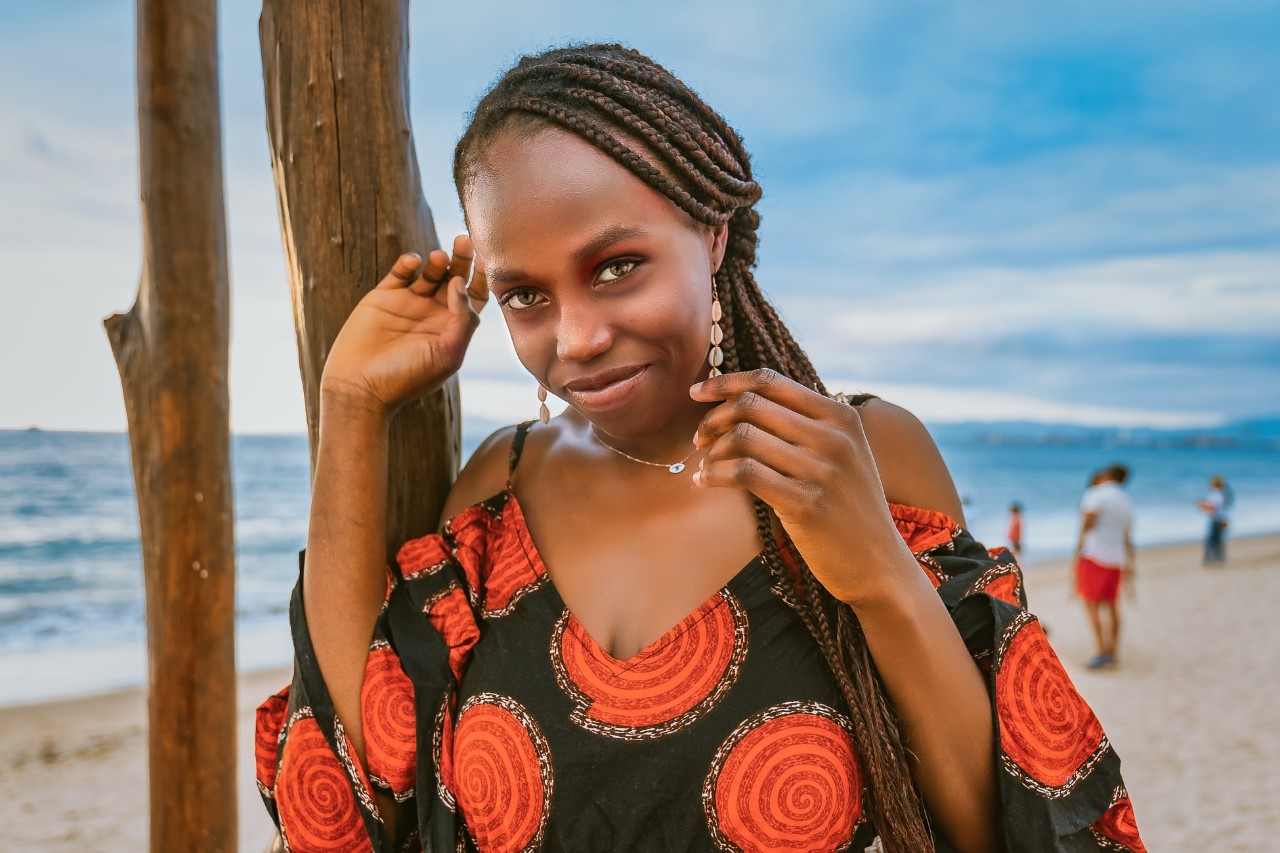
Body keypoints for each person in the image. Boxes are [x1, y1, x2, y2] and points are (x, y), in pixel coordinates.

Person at [254, 45, 1143, 852]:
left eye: (616, 267)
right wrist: (352, 405)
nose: (578, 337)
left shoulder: (864, 453)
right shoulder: (502, 485)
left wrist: (879, 575)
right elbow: (370, 764)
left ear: (711, 234)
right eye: (527, 295)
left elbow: (999, 824)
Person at [1073, 464, 1135, 669]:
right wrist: (1131, 563)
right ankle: (1113, 651)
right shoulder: (1126, 499)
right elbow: (1127, 534)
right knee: (1112, 605)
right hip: (1117, 558)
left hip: (1095, 554)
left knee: (1091, 605)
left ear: (1106, 475)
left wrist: (1077, 549)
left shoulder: (1095, 494)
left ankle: (1101, 651)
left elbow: (1087, 523)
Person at [1198, 475, 1232, 565]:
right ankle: (1219, 559)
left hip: (1216, 520)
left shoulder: (1217, 493)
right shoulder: (1223, 493)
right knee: (1218, 540)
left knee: (1211, 541)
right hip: (1221, 519)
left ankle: (1211, 559)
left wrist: (1203, 506)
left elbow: (1214, 507)